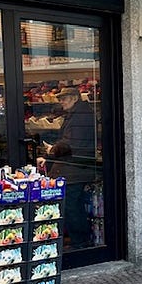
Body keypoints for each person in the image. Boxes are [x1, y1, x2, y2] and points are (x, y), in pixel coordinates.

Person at [37, 86, 95, 249]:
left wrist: (52, 150)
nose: (61, 102)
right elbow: (69, 141)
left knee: (71, 206)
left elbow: (72, 144)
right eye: (60, 99)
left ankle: (80, 242)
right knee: (72, 205)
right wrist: (48, 157)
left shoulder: (80, 117)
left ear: (75, 98)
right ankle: (78, 239)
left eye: (64, 98)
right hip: (74, 167)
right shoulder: (76, 115)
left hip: (76, 168)